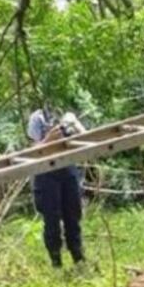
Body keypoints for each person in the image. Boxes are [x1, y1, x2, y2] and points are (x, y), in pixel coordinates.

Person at [27, 107, 85, 268]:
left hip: (67, 168)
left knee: (73, 215)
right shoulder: (37, 118)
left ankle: (78, 258)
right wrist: (49, 140)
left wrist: (73, 124)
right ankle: (56, 262)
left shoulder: (65, 113)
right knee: (51, 219)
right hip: (46, 172)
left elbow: (83, 137)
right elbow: (33, 150)